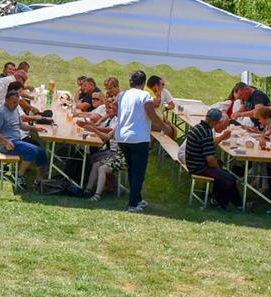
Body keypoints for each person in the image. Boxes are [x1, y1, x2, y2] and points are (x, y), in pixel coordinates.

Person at [115, 69, 175, 213]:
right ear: (143, 82)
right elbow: (152, 115)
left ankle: (137, 198)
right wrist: (165, 127)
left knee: (132, 169)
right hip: (138, 138)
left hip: (122, 137)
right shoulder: (145, 95)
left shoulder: (122, 95)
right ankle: (132, 204)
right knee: (139, 172)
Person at [0, 88, 46, 190]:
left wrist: (35, 128)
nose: (16, 104)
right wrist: (5, 142)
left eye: (17, 102)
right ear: (6, 100)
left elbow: (21, 125)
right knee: (32, 151)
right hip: (7, 144)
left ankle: (39, 180)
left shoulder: (15, 110)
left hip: (17, 141)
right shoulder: (0, 112)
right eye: (14, 102)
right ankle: (19, 175)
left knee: (42, 152)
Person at [183, 107, 239, 208]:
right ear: (215, 121)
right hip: (198, 167)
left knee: (222, 170)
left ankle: (218, 198)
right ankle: (223, 202)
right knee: (229, 178)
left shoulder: (199, 127)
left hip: (193, 163)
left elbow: (207, 146)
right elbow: (210, 159)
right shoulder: (206, 132)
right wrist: (217, 169)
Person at [79, 96, 125, 199]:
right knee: (95, 163)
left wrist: (94, 129)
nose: (109, 110)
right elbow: (108, 136)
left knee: (101, 167)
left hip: (120, 155)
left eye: (112, 107)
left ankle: (98, 194)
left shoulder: (123, 122)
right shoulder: (120, 121)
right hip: (113, 151)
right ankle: (88, 190)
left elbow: (108, 133)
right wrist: (95, 130)